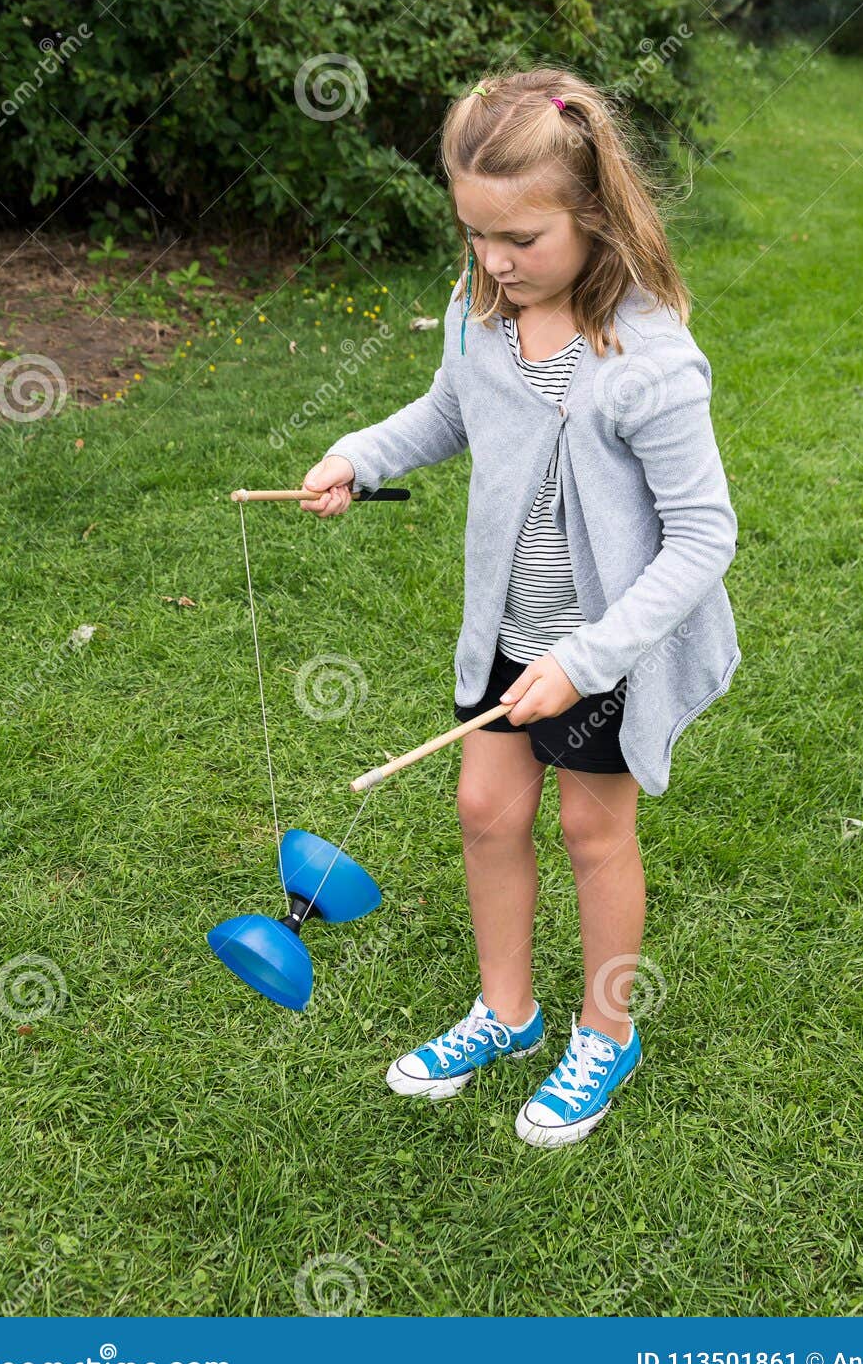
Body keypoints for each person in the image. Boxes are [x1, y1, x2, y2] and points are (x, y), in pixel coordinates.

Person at [299, 67, 741, 1148]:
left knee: (594, 829)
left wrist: (590, 657)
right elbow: (445, 413)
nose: (493, 261)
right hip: (507, 633)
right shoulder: (479, 315)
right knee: (485, 812)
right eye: (473, 235)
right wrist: (360, 455)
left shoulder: (650, 362)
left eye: (520, 239)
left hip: (609, 649)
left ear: (593, 216)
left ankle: (605, 1028)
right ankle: (505, 1012)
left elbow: (703, 537)